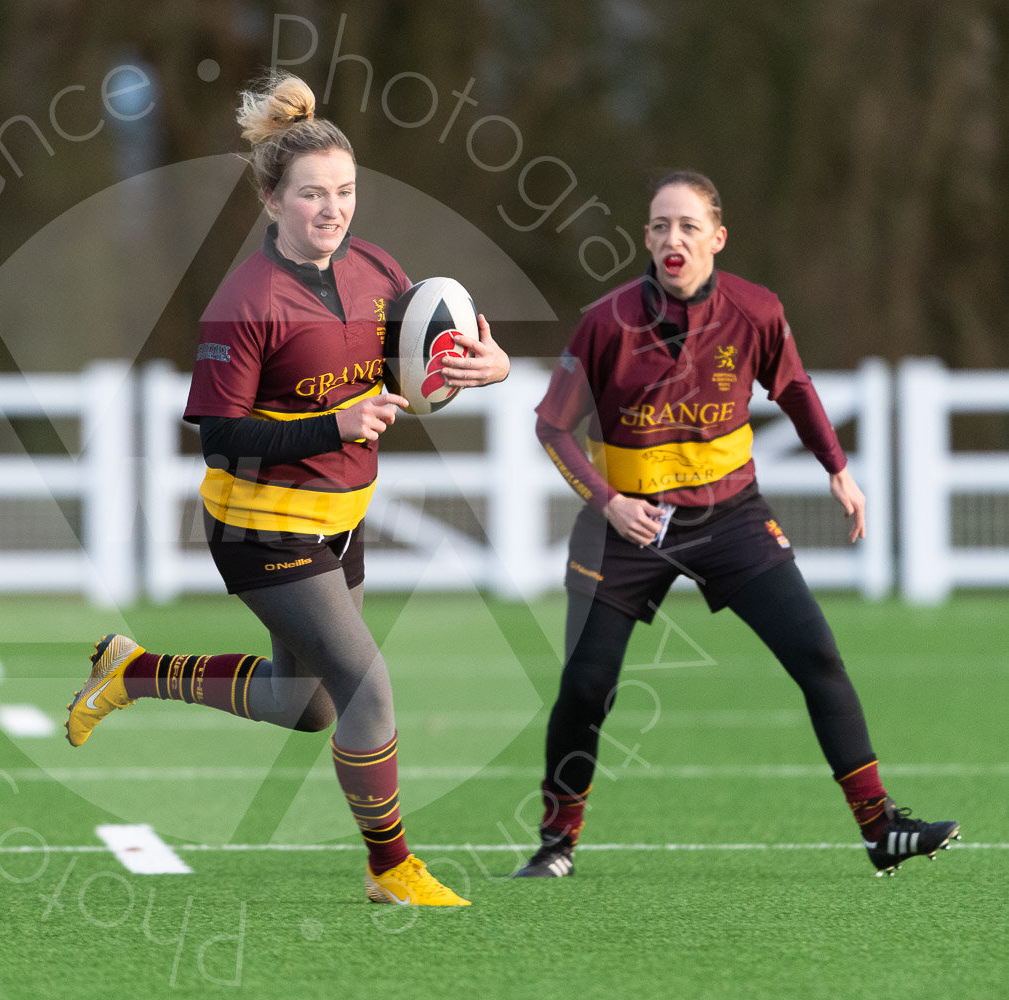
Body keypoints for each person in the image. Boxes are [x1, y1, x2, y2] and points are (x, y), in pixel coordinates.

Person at [65, 74, 508, 906]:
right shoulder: (244, 304)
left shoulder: (380, 271)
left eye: (344, 192)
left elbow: (410, 374)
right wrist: (333, 427)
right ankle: (392, 869)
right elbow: (221, 435)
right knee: (366, 689)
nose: (332, 209)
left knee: (300, 706)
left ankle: (130, 671)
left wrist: (481, 369)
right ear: (272, 200)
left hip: (343, 518)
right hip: (260, 527)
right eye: (312, 195)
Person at [513, 169, 959, 879]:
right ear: (647, 238)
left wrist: (838, 468)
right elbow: (552, 428)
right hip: (624, 531)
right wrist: (610, 503)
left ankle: (881, 831)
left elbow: (795, 388)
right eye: (660, 225)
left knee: (817, 656)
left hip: (731, 519)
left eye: (688, 225)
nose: (672, 238)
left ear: (717, 238)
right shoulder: (606, 322)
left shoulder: (756, 311)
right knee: (587, 685)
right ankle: (556, 842)